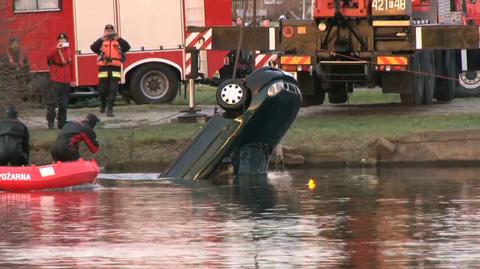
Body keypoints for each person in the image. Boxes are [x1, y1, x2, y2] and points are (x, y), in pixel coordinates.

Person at [90, 24, 130, 117]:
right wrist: (102, 38)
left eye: (111, 30)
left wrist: (118, 38)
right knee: (102, 89)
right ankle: (103, 103)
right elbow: (93, 48)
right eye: (107, 30)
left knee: (113, 89)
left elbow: (127, 47)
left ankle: (110, 109)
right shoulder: (102, 42)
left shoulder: (118, 41)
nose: (109, 32)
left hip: (115, 67)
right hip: (103, 67)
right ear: (105, 32)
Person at [46, 33, 74, 129]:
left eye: (64, 40)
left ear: (67, 41)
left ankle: (62, 123)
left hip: (66, 79)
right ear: (58, 41)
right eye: (60, 40)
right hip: (56, 78)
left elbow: (71, 65)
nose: (62, 41)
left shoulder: (68, 51)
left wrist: (72, 79)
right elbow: (49, 56)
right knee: (52, 102)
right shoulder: (55, 50)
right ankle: (50, 123)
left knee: (64, 103)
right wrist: (56, 47)